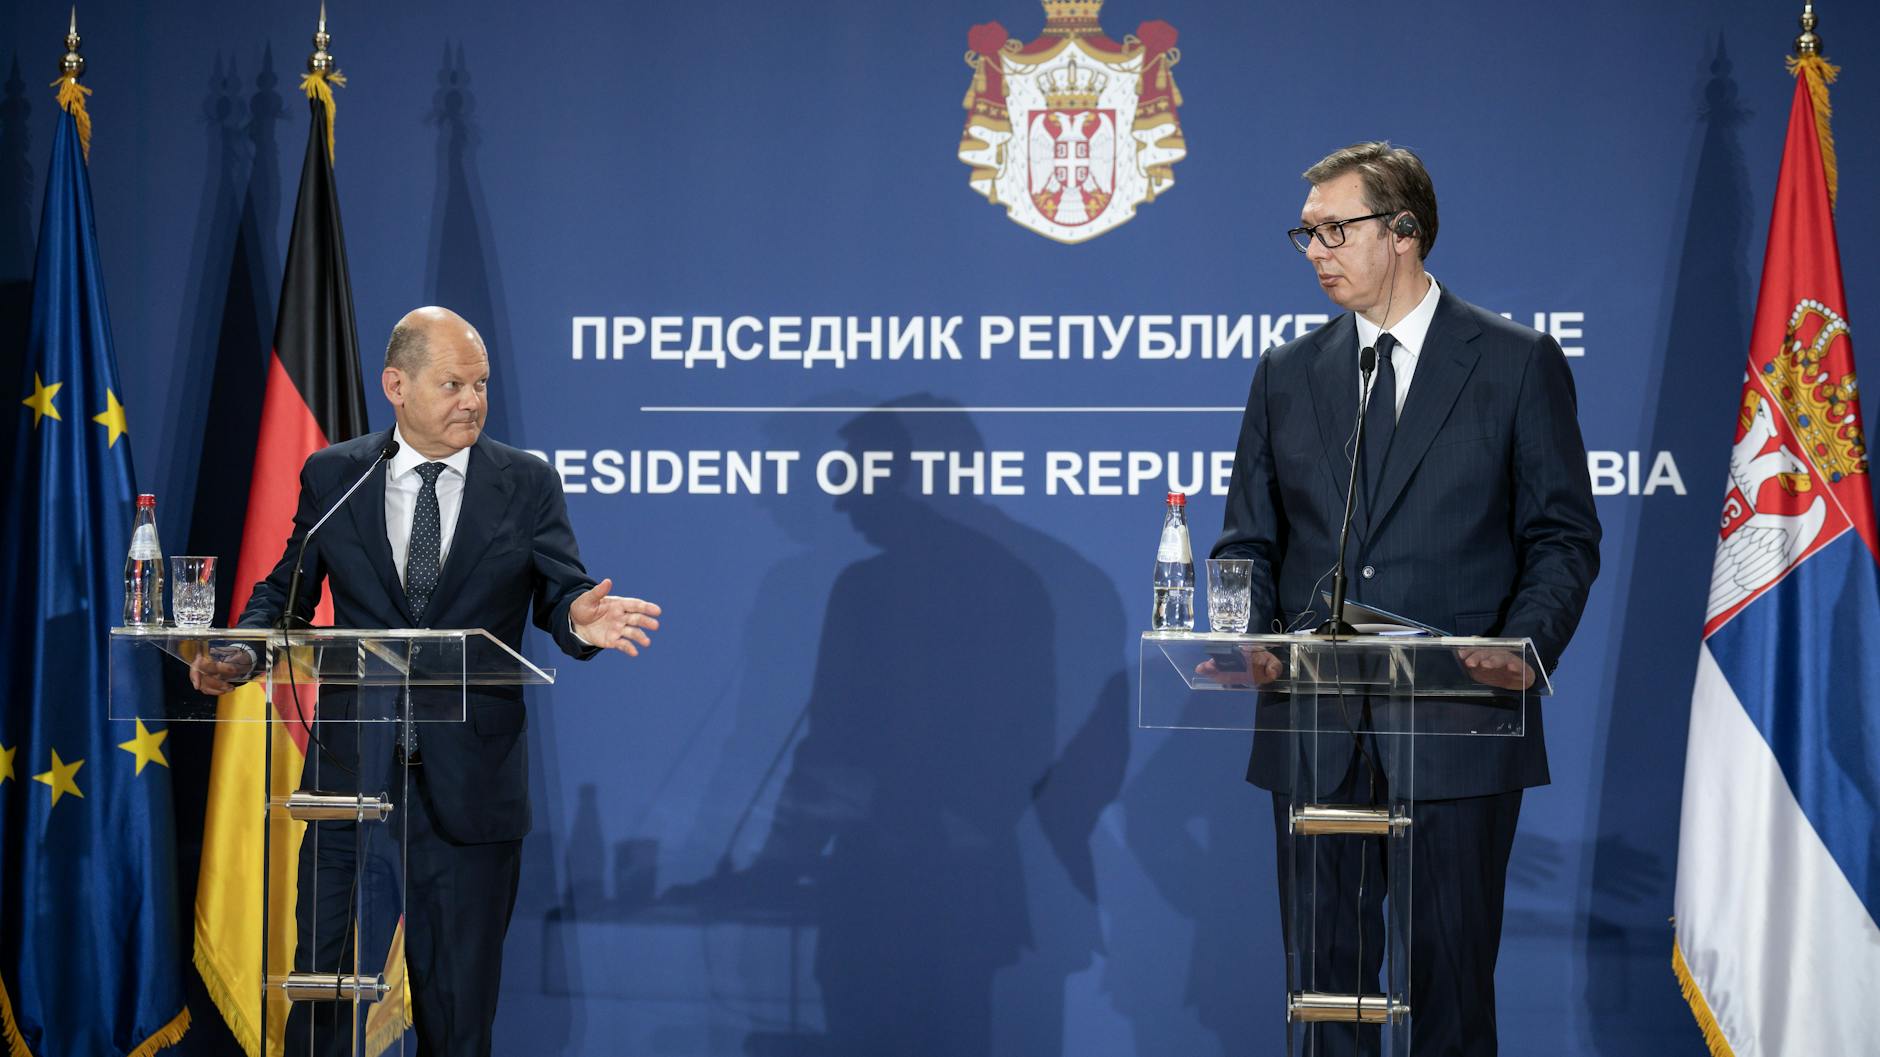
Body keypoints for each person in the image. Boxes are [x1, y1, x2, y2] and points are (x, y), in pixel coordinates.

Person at [1206, 143, 1600, 1055]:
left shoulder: (1513, 363)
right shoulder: (1286, 373)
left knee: (1449, 992)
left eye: (1335, 229)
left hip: (1459, 725)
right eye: (1305, 233)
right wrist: (1255, 637)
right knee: (1326, 997)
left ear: (1406, 233)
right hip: (1316, 731)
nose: (1315, 249)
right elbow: (1249, 540)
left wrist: (1518, 651)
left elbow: (1562, 538)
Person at [192, 306, 661, 1057]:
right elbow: (284, 594)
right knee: (321, 997)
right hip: (348, 780)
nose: (472, 400)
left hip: (469, 789)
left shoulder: (525, 482)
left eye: (480, 384)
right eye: (452, 383)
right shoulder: (336, 475)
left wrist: (580, 618)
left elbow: (560, 592)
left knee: (457, 1015)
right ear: (396, 385)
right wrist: (243, 655)